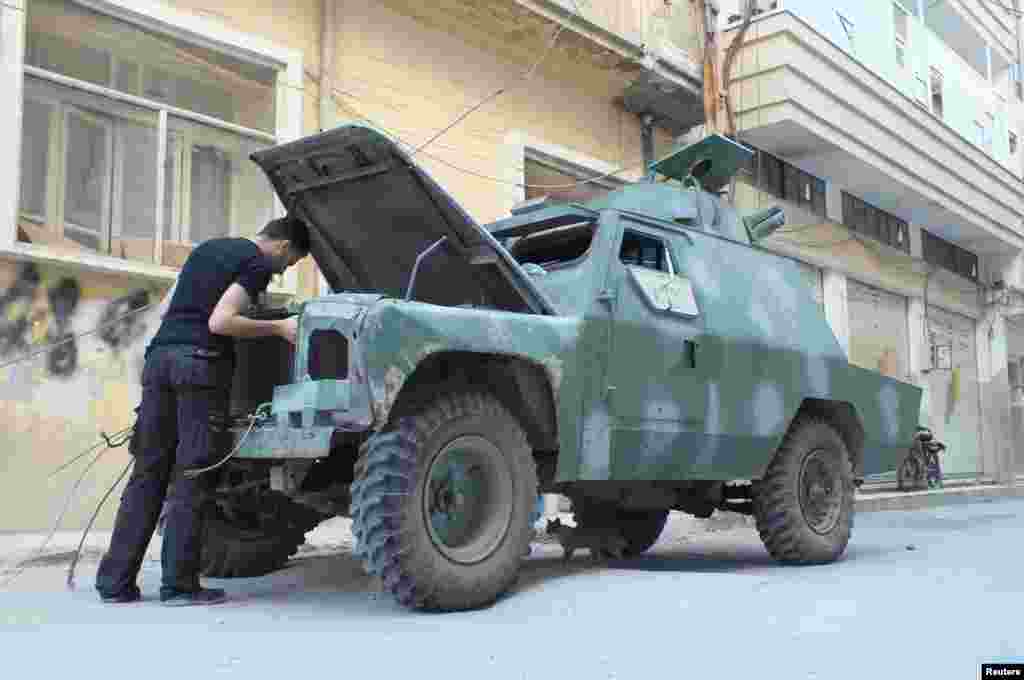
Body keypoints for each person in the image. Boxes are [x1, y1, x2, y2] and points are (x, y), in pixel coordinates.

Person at [95, 216, 310, 606]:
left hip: (159, 360)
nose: (282, 272)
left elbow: (166, 311)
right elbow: (221, 320)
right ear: (283, 246)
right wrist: (279, 329)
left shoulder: (207, 249)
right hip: (199, 364)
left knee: (148, 473)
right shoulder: (256, 263)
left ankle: (115, 583)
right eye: (290, 263)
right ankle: (178, 586)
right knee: (193, 475)